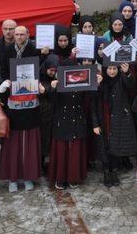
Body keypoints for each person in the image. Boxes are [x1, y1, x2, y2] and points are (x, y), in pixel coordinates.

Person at [0, 26, 41, 192]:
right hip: (13, 102)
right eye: (17, 34)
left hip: (31, 101)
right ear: (13, 35)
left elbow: (40, 71)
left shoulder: (34, 49)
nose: (20, 36)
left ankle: (28, 177)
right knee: (13, 143)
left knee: (29, 141)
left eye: (23, 34)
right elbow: (3, 71)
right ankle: (12, 178)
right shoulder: (7, 50)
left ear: (28, 35)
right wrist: (4, 86)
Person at [47, 61, 94, 190]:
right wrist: (52, 89)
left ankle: (73, 177)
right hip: (61, 120)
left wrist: (97, 83)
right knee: (61, 151)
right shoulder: (58, 82)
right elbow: (52, 101)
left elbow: (90, 97)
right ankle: (60, 178)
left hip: (77, 119)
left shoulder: (82, 81)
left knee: (75, 151)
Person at [92, 63, 137, 187]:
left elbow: (131, 85)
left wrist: (127, 72)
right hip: (104, 118)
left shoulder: (122, 79)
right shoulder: (101, 81)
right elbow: (94, 104)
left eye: (114, 69)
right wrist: (95, 123)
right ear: (106, 70)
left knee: (116, 144)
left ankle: (114, 171)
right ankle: (107, 171)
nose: (112, 71)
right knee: (105, 145)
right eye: (110, 69)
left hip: (119, 119)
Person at [0, 20, 17, 93]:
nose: (8, 31)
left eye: (11, 29)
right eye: (5, 29)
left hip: (17, 81)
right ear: (2, 29)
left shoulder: (22, 43)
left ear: (16, 29)